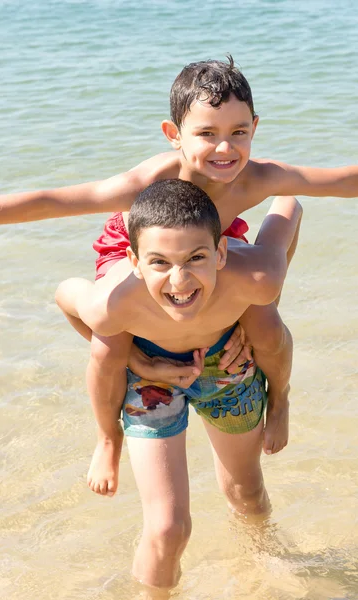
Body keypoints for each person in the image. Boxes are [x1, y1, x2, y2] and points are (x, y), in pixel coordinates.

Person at [1, 55, 358, 493]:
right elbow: (51, 202)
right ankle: (107, 436)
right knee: (107, 329)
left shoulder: (255, 178)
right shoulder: (145, 183)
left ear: (255, 128)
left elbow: (342, 181)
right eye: (207, 134)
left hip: (214, 244)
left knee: (265, 320)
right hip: (139, 249)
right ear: (174, 135)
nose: (225, 148)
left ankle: (280, 399)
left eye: (238, 133)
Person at [55, 178, 303, 589]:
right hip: (150, 377)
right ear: (134, 261)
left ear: (221, 252)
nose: (179, 280)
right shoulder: (115, 301)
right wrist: (137, 360)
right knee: (168, 527)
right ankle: (107, 441)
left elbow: (289, 206)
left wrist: (257, 309)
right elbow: (65, 295)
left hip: (226, 365)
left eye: (196, 258)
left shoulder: (252, 277)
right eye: (160, 263)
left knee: (248, 495)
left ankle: (263, 575)